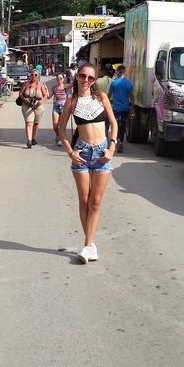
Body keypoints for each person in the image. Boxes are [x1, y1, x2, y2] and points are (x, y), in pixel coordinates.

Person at [58, 62, 118, 263]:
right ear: (77, 76)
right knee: (84, 200)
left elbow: (114, 123)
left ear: (94, 81)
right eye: (83, 76)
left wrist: (111, 148)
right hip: (82, 153)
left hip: (101, 152)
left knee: (96, 201)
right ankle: (89, 245)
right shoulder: (71, 102)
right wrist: (70, 151)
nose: (86, 80)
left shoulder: (100, 98)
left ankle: (88, 245)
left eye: (90, 78)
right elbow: (61, 129)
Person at [19, 69, 49, 148]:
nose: (34, 76)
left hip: (38, 106)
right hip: (27, 105)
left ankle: (33, 138)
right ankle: (29, 141)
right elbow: (20, 93)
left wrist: (41, 101)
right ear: (30, 75)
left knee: (36, 123)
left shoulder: (41, 85)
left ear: (38, 76)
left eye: (36, 75)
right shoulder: (26, 84)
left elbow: (46, 95)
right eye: (32, 74)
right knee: (29, 122)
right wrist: (24, 99)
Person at [108, 65, 135, 153]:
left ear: (118, 72)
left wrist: (105, 105)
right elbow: (132, 97)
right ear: (124, 72)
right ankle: (121, 141)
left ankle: (116, 141)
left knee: (115, 125)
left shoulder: (114, 83)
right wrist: (132, 109)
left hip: (116, 108)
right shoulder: (129, 83)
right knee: (122, 125)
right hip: (125, 109)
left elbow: (108, 95)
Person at [50, 72, 70, 146]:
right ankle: (58, 135)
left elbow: (74, 85)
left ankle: (60, 139)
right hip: (56, 107)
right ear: (56, 79)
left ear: (63, 79)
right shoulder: (54, 88)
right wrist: (44, 90)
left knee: (59, 126)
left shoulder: (65, 87)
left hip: (63, 107)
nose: (59, 80)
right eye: (58, 78)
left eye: (61, 78)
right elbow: (49, 96)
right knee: (55, 126)